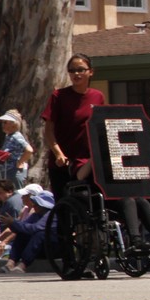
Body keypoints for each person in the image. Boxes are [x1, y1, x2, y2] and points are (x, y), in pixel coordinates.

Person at [41, 53, 105, 197]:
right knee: (64, 205)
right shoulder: (58, 96)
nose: (76, 74)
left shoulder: (98, 96)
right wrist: (58, 154)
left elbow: (100, 128)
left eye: (80, 69)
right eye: (72, 70)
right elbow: (49, 130)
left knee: (91, 202)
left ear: (91, 72)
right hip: (62, 164)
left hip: (86, 163)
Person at [0, 189, 54, 274]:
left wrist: (14, 222)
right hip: (39, 248)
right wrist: (11, 224)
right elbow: (22, 226)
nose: (34, 205)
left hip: (51, 248)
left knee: (40, 234)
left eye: (37, 203)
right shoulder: (35, 215)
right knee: (21, 233)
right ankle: (10, 263)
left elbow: (35, 228)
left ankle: (23, 265)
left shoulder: (51, 214)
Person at [0, 110, 33, 188]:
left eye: (5, 122)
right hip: (7, 171)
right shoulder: (8, 136)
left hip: (14, 171)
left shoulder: (16, 136)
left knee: (16, 192)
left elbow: (29, 150)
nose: (2, 125)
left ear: (13, 124)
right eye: (2, 122)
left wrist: (20, 162)